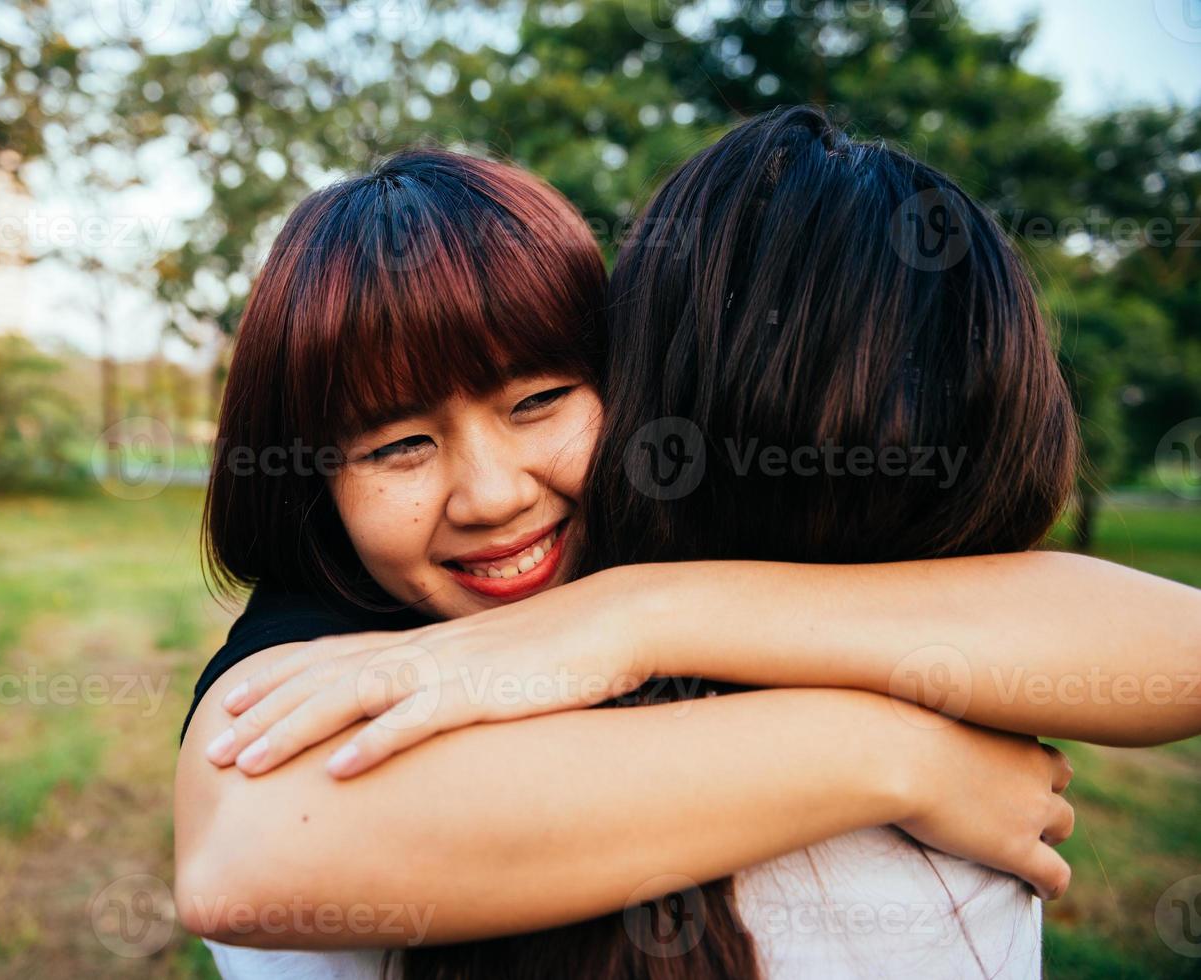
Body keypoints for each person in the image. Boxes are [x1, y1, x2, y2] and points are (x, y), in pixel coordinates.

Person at [175, 113, 1201, 979]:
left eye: (540, 399)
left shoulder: (648, 560)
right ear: (313, 478)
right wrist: (903, 753)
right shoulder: (320, 636)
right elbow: (242, 856)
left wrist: (633, 614)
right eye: (396, 445)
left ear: (628, 375)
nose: (489, 495)